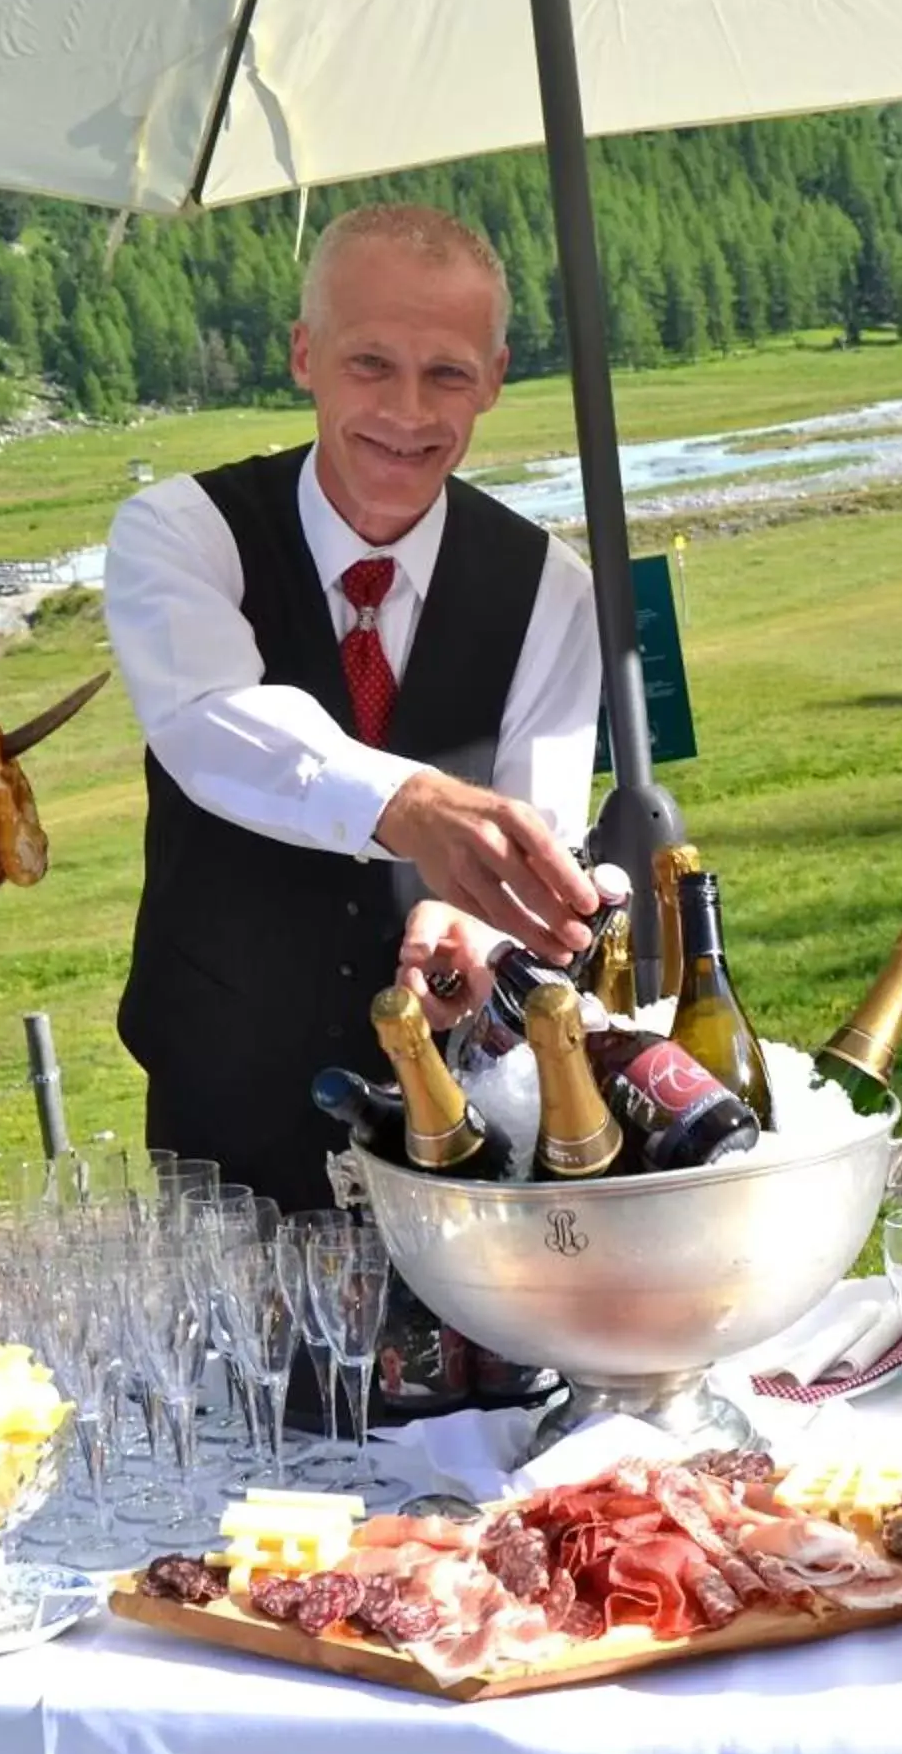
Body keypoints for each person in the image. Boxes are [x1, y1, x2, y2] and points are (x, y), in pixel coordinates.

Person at [106, 204, 602, 1215]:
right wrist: (413, 805)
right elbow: (210, 723)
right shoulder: (181, 535)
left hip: (462, 1141)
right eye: (371, 363)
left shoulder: (552, 590)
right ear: (305, 354)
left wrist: (467, 915)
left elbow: (534, 829)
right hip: (221, 1132)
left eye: (449, 373)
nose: (409, 411)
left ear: (496, 378)